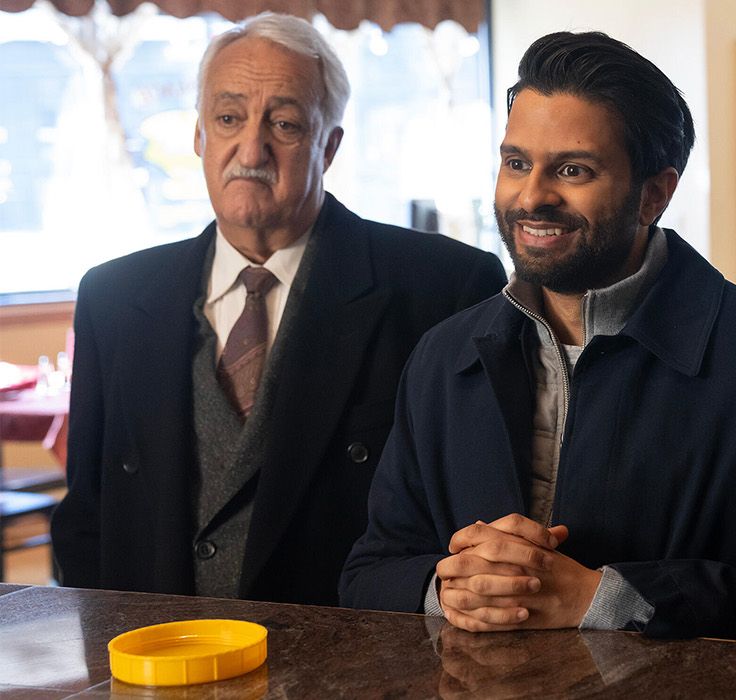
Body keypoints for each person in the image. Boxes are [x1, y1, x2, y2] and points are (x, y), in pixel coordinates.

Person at [340, 31, 736, 651]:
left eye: (573, 170)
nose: (532, 195)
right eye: (517, 162)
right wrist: (449, 586)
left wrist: (607, 598)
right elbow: (369, 572)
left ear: (655, 194)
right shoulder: (441, 357)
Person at [50, 12, 506, 606]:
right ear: (199, 136)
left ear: (330, 145)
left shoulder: (443, 287)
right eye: (228, 118)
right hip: (157, 662)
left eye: (285, 123)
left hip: (352, 666)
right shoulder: (113, 297)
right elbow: (87, 516)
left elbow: (473, 516)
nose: (251, 148)